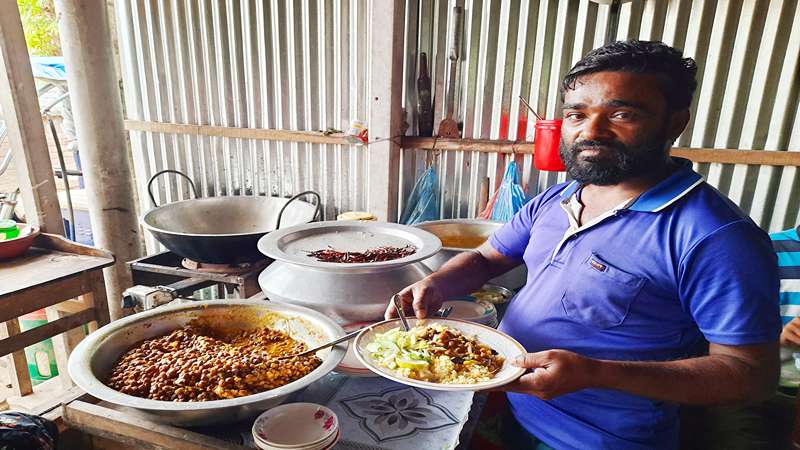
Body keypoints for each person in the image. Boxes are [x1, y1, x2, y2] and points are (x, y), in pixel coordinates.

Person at [388, 40, 781, 450]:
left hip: (600, 439)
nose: (590, 131)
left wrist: (596, 373)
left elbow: (750, 376)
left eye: (621, 114)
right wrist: (436, 283)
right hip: (515, 403)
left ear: (674, 123)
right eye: (576, 114)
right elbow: (489, 257)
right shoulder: (558, 197)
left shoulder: (715, 236)